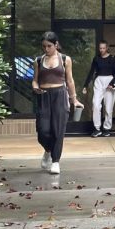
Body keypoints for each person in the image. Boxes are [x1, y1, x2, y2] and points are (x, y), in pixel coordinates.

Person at [32, 32, 81, 174]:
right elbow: (35, 79)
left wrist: (74, 99)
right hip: (44, 96)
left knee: (58, 131)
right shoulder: (38, 60)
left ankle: (55, 161)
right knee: (43, 131)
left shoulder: (65, 59)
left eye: (49, 46)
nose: (46, 49)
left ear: (56, 45)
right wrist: (35, 86)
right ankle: (47, 150)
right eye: (44, 46)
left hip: (60, 95)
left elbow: (70, 81)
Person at [82, 39, 115, 137]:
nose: (102, 50)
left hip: (110, 82)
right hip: (99, 81)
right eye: (100, 48)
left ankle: (107, 128)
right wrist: (85, 85)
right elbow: (91, 72)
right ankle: (97, 128)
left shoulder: (112, 58)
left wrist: (112, 83)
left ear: (107, 48)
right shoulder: (96, 59)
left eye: (103, 48)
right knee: (95, 104)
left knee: (108, 107)